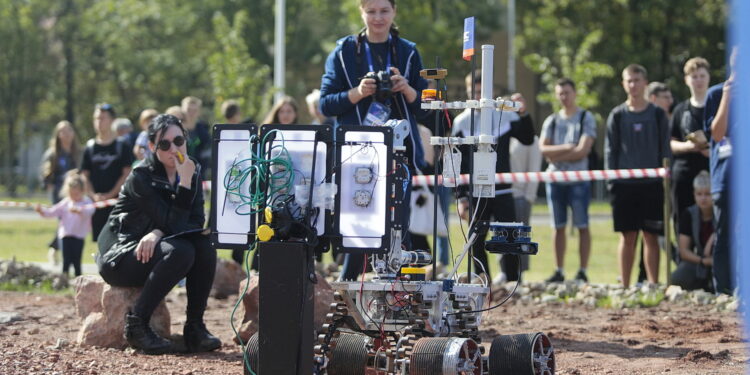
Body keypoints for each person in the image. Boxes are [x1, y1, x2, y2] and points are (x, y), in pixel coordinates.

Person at [320, 0, 429, 281]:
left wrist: (407, 89)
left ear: (394, 12)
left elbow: (427, 106)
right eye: (371, 11)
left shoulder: (408, 51)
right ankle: (348, 284)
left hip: (399, 151)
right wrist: (357, 93)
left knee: (399, 224)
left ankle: (400, 292)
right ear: (361, 13)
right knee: (358, 220)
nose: (378, 18)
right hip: (357, 152)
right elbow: (326, 104)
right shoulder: (344, 51)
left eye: (384, 11)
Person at [97, 114, 220, 354]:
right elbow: (173, 223)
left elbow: (194, 221)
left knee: (205, 245)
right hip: (121, 254)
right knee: (182, 251)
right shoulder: (141, 176)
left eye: (178, 140)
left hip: (154, 247)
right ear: (152, 147)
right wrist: (184, 184)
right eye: (164, 144)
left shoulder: (191, 169)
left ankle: (195, 328)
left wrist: (157, 231)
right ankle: (136, 325)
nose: (174, 148)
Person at [453, 71, 535, 282]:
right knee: (476, 239)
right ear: (468, 91)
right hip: (475, 190)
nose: (479, 95)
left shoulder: (505, 116)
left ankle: (511, 281)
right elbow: (457, 162)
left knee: (508, 235)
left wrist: (523, 113)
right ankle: (482, 280)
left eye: (483, 91)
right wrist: (461, 197)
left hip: (502, 188)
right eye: (475, 91)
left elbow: (527, 138)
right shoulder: (462, 122)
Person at [605, 64, 671, 287]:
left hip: (652, 185)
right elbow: (610, 151)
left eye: (637, 80)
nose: (633, 84)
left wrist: (664, 179)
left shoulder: (658, 115)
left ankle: (653, 284)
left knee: (651, 237)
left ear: (645, 83)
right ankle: (625, 286)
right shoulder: (617, 115)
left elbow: (665, 151)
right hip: (624, 185)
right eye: (629, 80)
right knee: (627, 237)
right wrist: (612, 181)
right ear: (623, 84)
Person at [539, 78, 596, 283]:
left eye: (567, 92)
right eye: (560, 93)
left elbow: (583, 151)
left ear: (575, 93)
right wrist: (568, 148)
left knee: (582, 224)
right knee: (558, 226)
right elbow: (543, 150)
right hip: (555, 180)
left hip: (579, 179)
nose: (564, 97)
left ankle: (582, 270)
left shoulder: (585, 118)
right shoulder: (552, 120)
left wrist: (556, 154)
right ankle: (559, 270)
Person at [704, 48, 736, 295]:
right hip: (724, 179)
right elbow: (716, 134)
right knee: (724, 236)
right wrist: (727, 97)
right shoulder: (715, 94)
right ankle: (723, 291)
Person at [80, 103, 134, 242]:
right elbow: (84, 175)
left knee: (117, 240)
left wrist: (110, 194)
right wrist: (93, 195)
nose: (99, 122)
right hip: (96, 203)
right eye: (96, 118)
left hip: (117, 203)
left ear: (111, 120)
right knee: (99, 241)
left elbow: (127, 173)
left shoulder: (122, 145)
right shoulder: (90, 146)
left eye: (103, 118)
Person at [669, 57, 711, 235]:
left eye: (702, 76)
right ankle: (683, 258)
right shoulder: (680, 110)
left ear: (708, 77)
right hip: (684, 173)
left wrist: (710, 149)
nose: (698, 80)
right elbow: (671, 143)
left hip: (712, 170)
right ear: (686, 80)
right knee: (682, 217)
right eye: (694, 76)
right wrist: (689, 146)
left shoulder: (718, 106)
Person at [36, 171, 94, 277]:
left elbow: (90, 211)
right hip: (65, 235)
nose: (74, 197)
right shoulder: (66, 202)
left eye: (76, 194)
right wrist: (42, 211)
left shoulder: (86, 202)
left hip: (79, 236)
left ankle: (78, 280)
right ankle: (64, 280)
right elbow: (52, 211)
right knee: (66, 260)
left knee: (77, 260)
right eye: (71, 194)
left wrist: (79, 211)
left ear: (82, 191)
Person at [40, 121, 81, 265]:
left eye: (69, 130)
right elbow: (45, 175)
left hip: (75, 192)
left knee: (69, 222)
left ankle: (55, 249)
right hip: (59, 192)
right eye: (62, 131)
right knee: (63, 221)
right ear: (58, 134)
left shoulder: (77, 152)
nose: (66, 134)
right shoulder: (53, 153)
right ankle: (59, 252)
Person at [670, 171, 714, 291]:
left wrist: (713, 238)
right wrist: (704, 261)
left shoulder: (722, 213)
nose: (703, 198)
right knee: (677, 279)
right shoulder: (689, 214)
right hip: (700, 261)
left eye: (707, 194)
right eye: (699, 194)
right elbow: (684, 251)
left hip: (721, 261)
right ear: (694, 195)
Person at [508, 134, 541, 283]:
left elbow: (534, 167)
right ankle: (504, 269)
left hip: (521, 195)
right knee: (502, 234)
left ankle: (520, 271)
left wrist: (529, 196)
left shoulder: (532, 140)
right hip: (504, 194)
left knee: (521, 237)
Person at [181, 96, 211, 179]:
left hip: (198, 175)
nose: (191, 113)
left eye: (195, 110)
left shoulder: (204, 132)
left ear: (199, 112)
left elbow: (206, 155)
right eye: (188, 110)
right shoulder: (176, 129)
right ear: (182, 110)